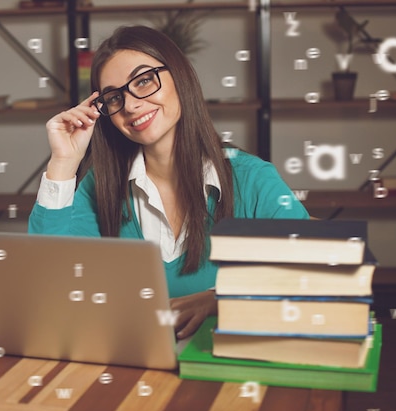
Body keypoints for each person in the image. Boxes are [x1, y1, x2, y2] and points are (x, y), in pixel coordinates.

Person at [28, 25, 309, 339]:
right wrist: (63, 164)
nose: (131, 105)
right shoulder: (101, 185)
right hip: (131, 367)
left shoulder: (251, 179)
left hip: (225, 370)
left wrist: (218, 298)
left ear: (180, 76)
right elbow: (52, 282)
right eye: (115, 97)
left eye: (144, 80)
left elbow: (315, 275)